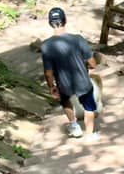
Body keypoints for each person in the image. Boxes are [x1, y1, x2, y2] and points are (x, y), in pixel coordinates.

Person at [41, 7, 99, 141]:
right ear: (65, 20)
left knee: (65, 100)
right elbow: (93, 63)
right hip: (83, 82)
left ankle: (74, 125)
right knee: (88, 107)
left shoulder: (46, 46)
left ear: (50, 23)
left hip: (63, 84)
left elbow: (48, 72)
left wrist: (51, 87)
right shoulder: (78, 39)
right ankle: (89, 135)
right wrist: (89, 65)